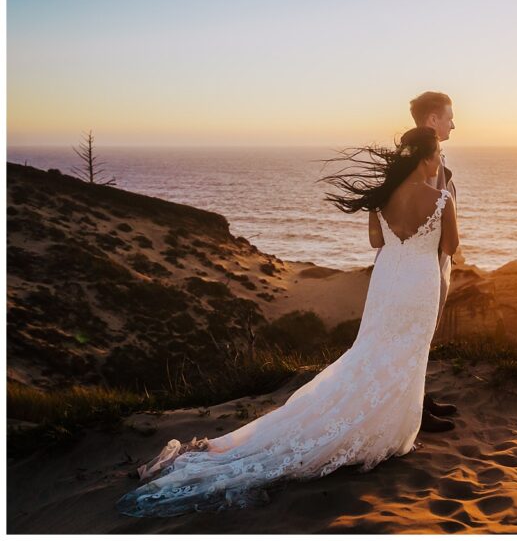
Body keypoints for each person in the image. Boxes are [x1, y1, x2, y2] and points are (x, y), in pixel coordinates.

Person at [116, 126, 459, 517]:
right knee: (408, 353)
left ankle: (372, 420)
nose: (438, 162)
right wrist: (443, 209)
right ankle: (391, 431)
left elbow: (376, 243)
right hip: (418, 282)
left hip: (387, 280)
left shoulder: (381, 199)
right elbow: (449, 247)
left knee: (372, 349)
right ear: (427, 158)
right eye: (435, 156)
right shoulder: (440, 196)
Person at [397, 91, 459, 431]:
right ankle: (416, 408)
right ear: (432, 120)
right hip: (426, 263)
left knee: (424, 335)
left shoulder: (420, 156)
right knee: (418, 332)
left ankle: (420, 397)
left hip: (426, 261)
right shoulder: (423, 162)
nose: (454, 123)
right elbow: (426, 215)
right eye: (449, 116)